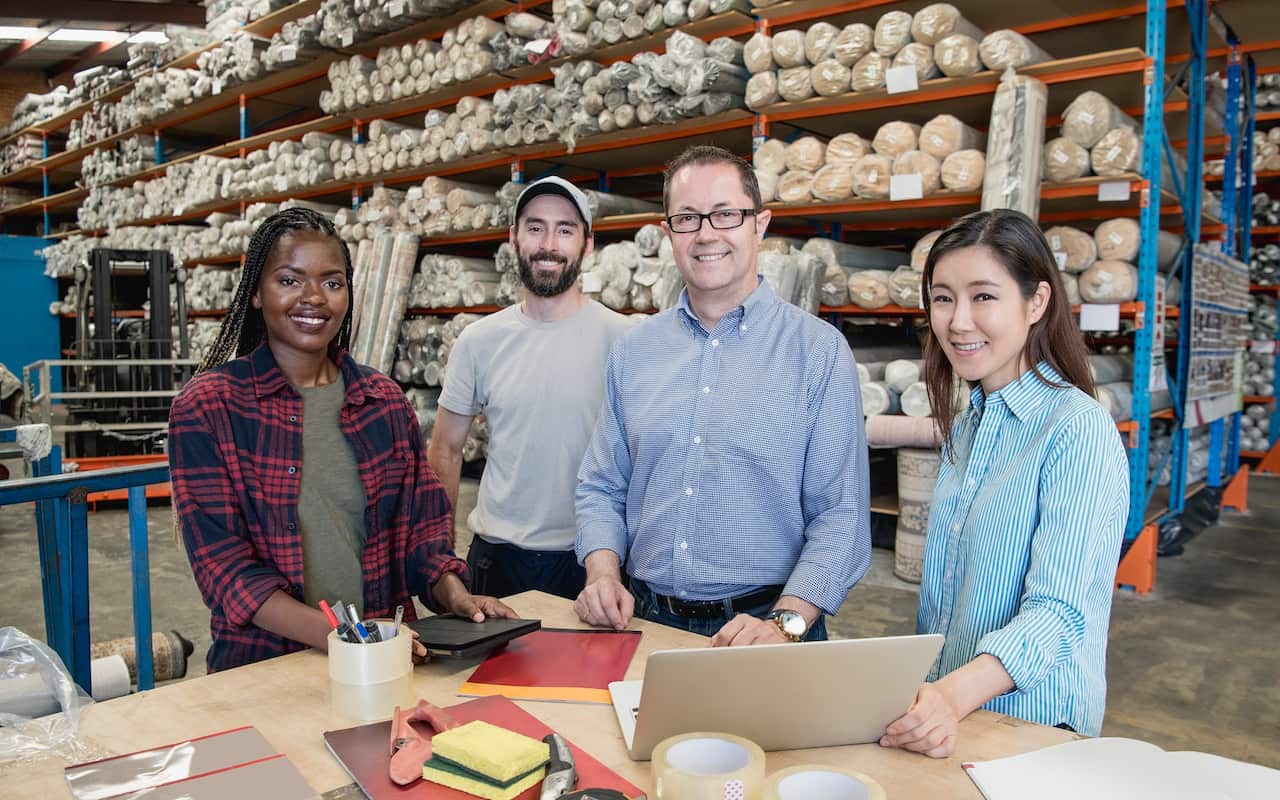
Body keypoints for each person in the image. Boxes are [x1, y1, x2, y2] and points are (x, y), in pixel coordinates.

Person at [169, 207, 514, 673]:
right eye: (290, 281)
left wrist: (455, 596)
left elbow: (423, 535)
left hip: (387, 664)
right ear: (255, 292)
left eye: (332, 283)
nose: (313, 298)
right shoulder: (210, 408)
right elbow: (226, 571)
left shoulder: (383, 402)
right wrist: (347, 638)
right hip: (263, 669)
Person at [574, 145, 871, 646]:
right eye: (687, 218)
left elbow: (840, 516)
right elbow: (602, 486)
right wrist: (602, 572)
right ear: (668, 233)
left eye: (726, 214)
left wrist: (787, 624)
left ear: (760, 224)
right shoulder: (634, 351)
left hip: (767, 627)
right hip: (644, 621)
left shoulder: (817, 352)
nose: (706, 233)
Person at [881, 209, 1128, 757]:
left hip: (1031, 731)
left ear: (1036, 302)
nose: (958, 321)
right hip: (952, 717)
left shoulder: (1076, 430)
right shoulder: (969, 424)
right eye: (943, 298)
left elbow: (1059, 615)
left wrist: (950, 696)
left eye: (983, 297)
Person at [428, 177, 632, 600]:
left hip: (591, 563)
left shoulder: (624, 340)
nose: (549, 244)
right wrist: (442, 560)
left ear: (587, 244)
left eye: (565, 229)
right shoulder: (480, 340)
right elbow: (445, 449)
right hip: (498, 558)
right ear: (513, 238)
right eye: (535, 227)